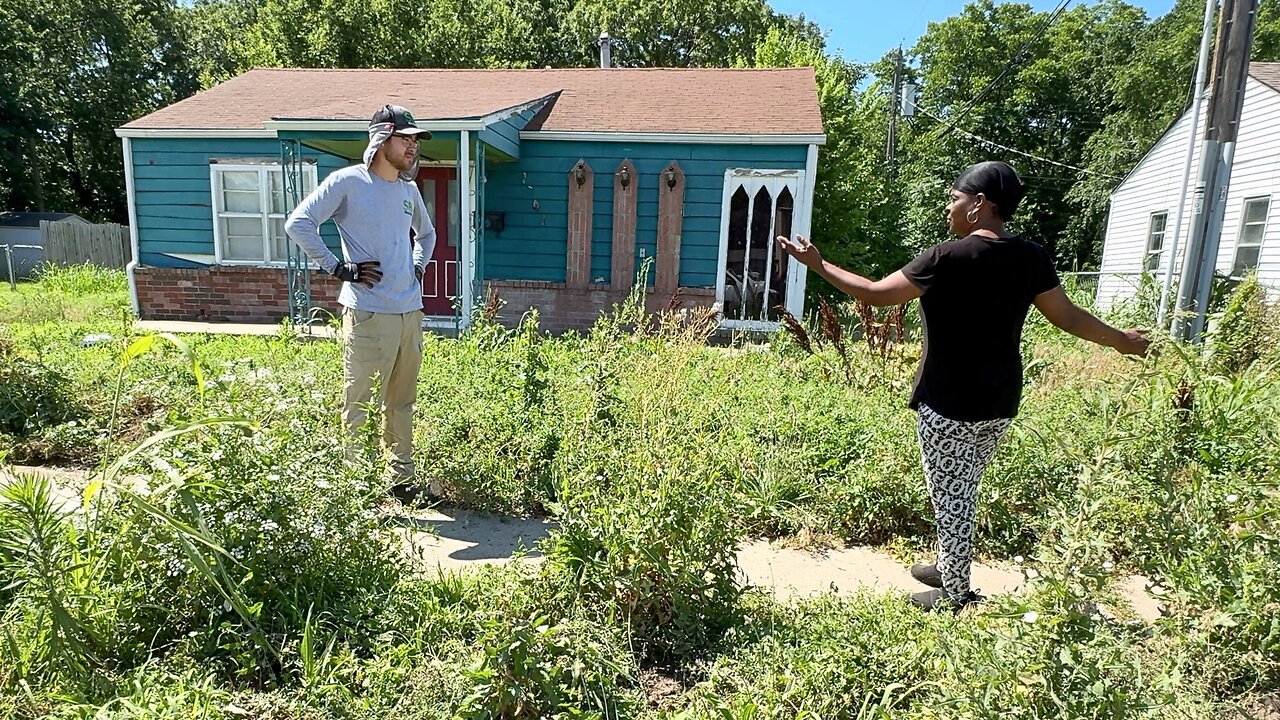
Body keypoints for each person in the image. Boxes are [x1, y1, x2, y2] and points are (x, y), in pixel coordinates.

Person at [776, 160, 1151, 612]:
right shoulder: (1031, 257)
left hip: (948, 397)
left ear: (979, 205)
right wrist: (1120, 342)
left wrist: (818, 264)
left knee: (951, 492)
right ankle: (949, 562)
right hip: (1000, 398)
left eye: (955, 198)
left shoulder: (946, 257)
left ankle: (954, 594)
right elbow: (1067, 317)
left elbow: (874, 293)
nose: (949, 207)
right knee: (963, 484)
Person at [285, 104, 437, 502]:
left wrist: (417, 266)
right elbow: (298, 223)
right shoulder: (347, 182)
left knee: (401, 402)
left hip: (410, 312)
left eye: (415, 140)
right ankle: (358, 490)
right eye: (405, 139)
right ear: (381, 139)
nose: (412, 147)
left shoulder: (408, 191)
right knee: (362, 405)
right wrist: (339, 268)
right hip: (369, 314)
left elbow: (428, 234)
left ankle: (400, 481)